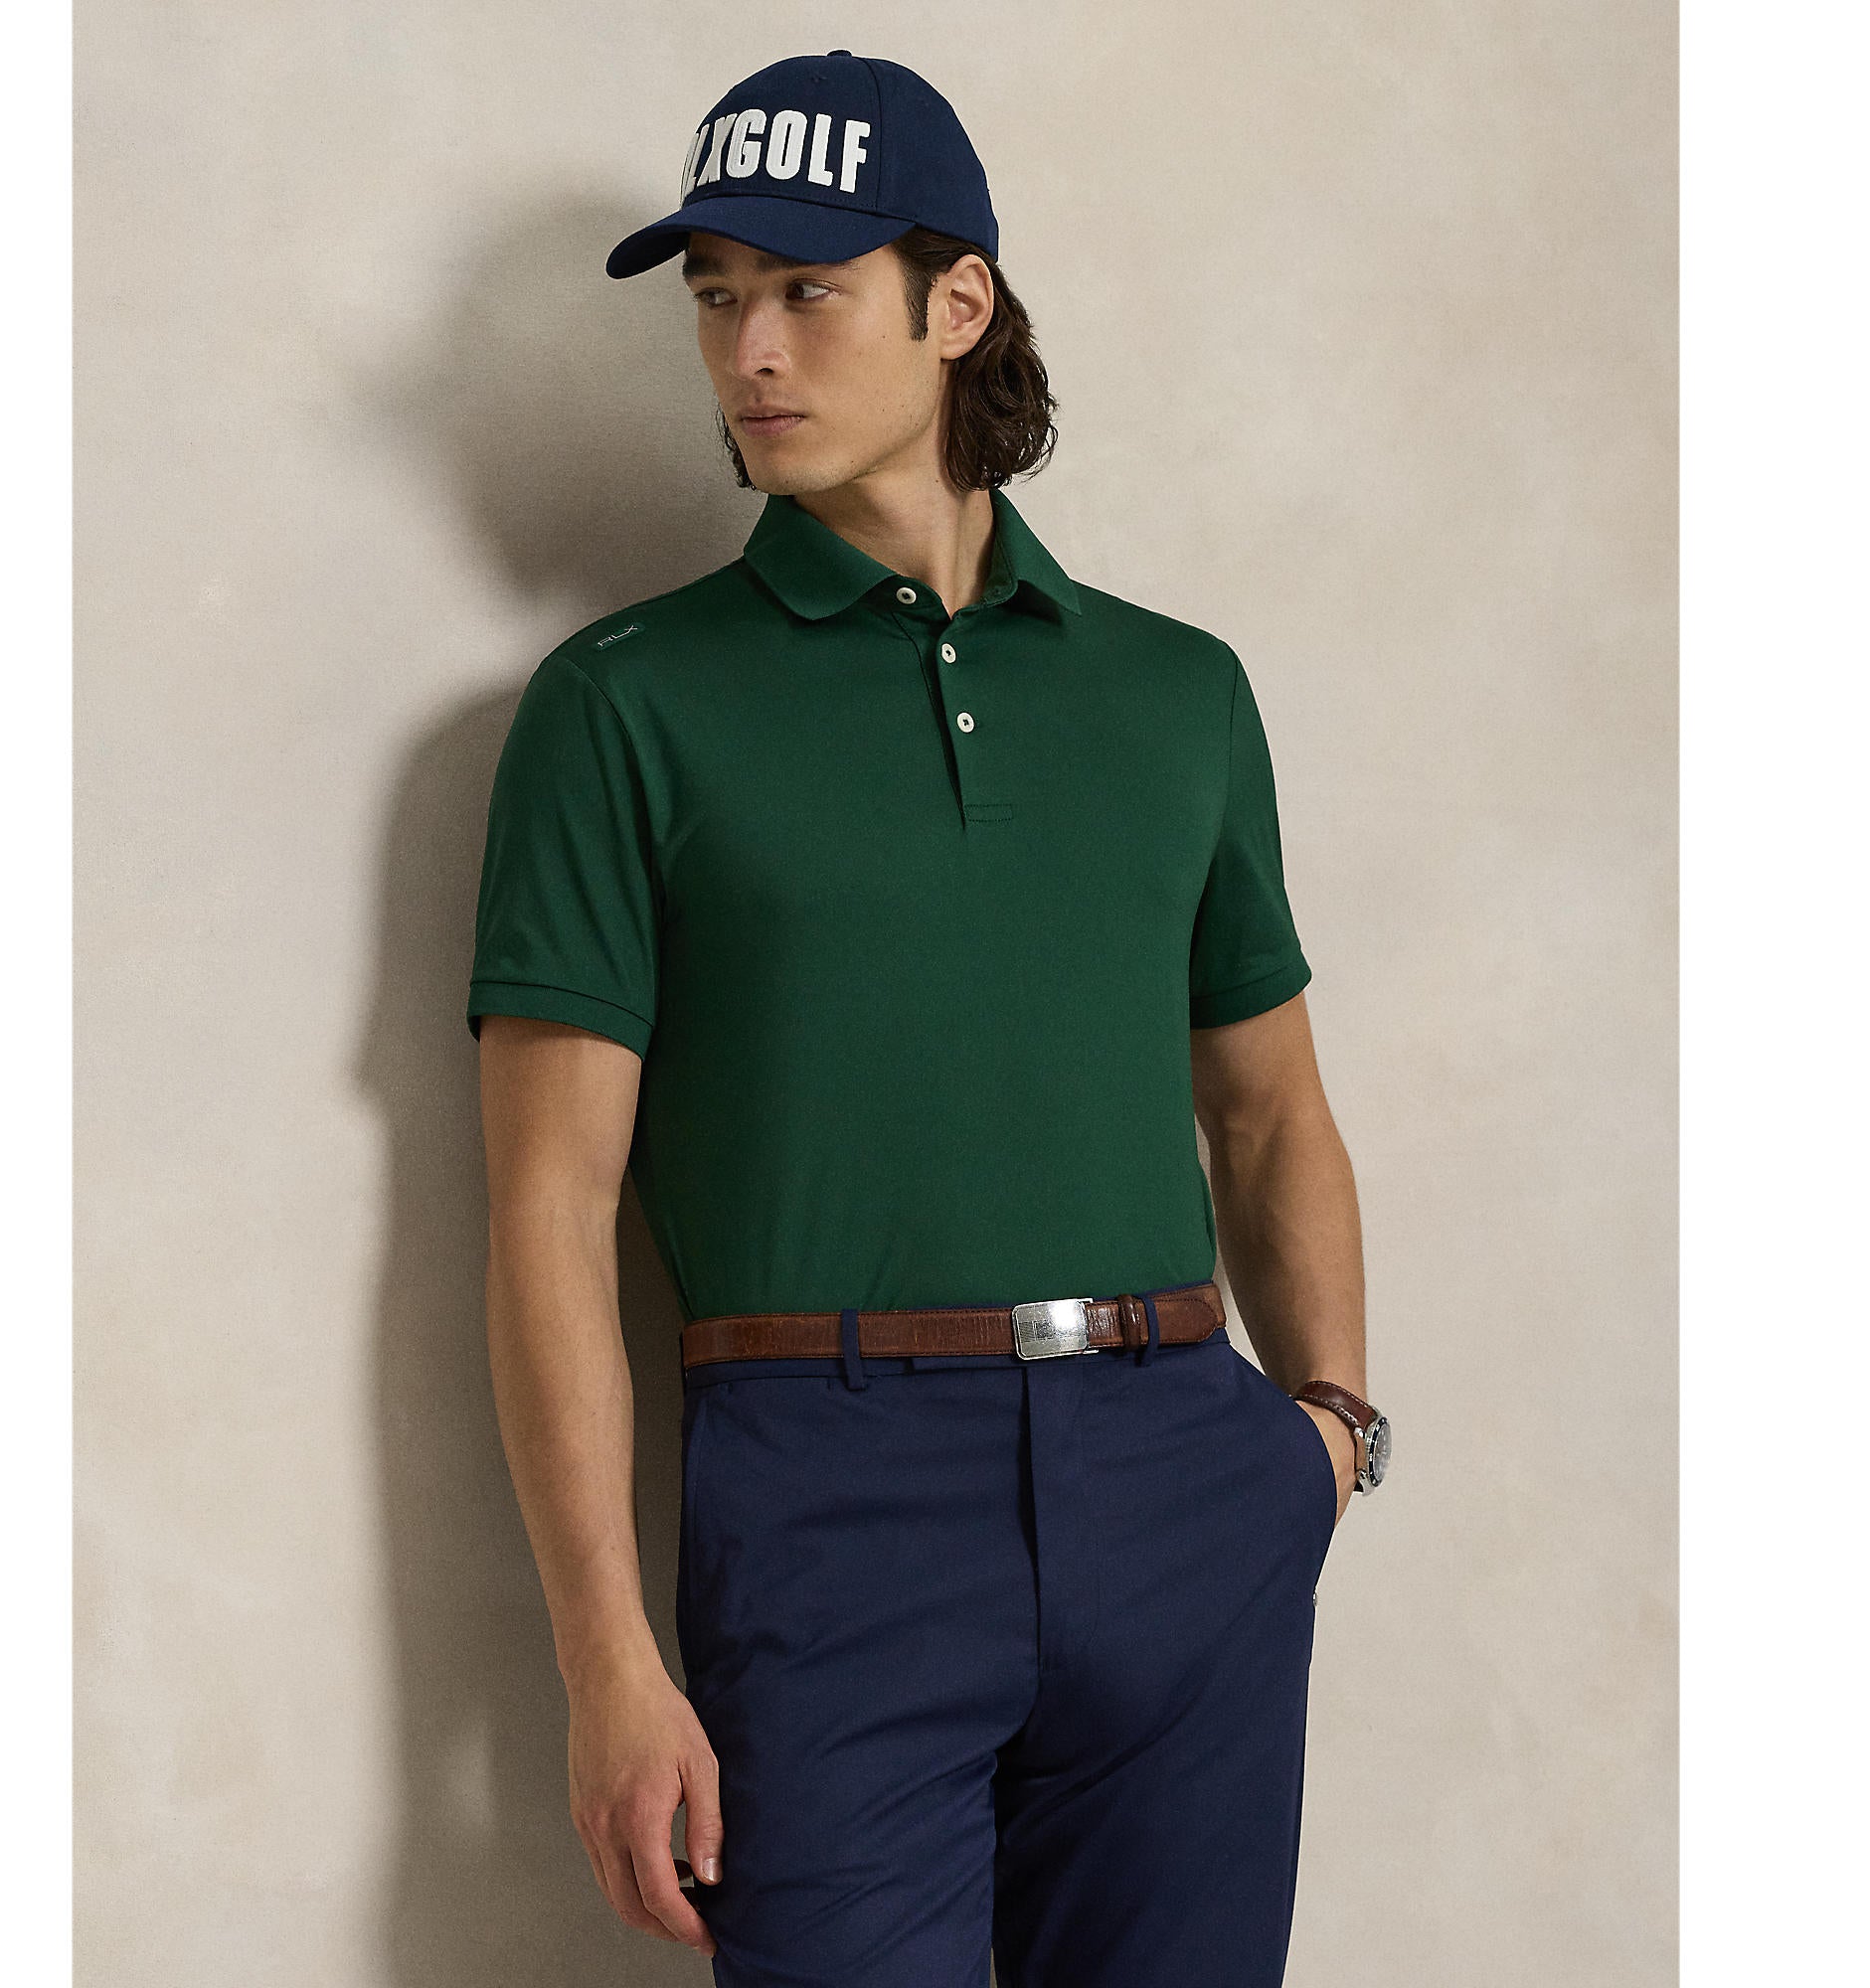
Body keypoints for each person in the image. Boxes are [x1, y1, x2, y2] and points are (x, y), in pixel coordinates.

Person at [469, 47, 1391, 1988]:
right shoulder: (621, 703)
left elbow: (1269, 1111)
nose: (749, 351)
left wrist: (1322, 1439)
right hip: (827, 1498)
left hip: (1184, 1472)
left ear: (954, 301)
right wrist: (606, 1656)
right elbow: (549, 1203)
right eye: (718, 297)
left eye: (806, 290)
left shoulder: (1178, 694)